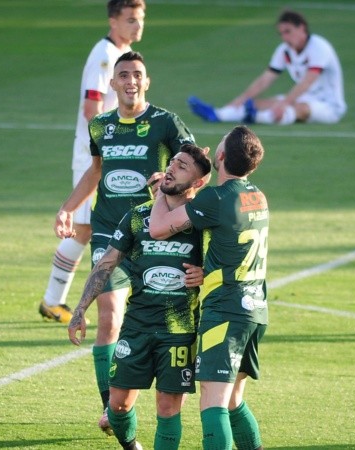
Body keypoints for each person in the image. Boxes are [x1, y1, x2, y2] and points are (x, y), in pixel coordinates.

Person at [54, 51, 195, 434]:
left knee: (161, 322)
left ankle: (157, 404)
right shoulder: (100, 126)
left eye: (137, 75)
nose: (130, 81)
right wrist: (68, 208)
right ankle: (111, 411)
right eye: (123, 75)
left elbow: (196, 167)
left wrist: (173, 191)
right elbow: (96, 171)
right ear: (112, 83)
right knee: (110, 319)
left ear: (146, 82)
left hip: (155, 234)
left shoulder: (166, 123)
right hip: (107, 231)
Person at [68, 144, 211, 450]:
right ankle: (131, 446)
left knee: (168, 408)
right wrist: (80, 308)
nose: (171, 168)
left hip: (179, 331)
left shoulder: (202, 220)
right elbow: (106, 263)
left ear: (198, 183)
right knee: (117, 406)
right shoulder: (137, 217)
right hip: (137, 327)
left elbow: (227, 261)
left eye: (183, 166)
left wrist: (205, 272)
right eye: (173, 162)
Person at [149, 125, 268, 450]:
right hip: (255, 310)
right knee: (232, 401)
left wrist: (162, 190)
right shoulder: (257, 196)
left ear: (221, 156)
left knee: (212, 402)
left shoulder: (215, 197)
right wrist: (209, 269)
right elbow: (232, 245)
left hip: (225, 313)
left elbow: (158, 228)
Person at [39, 0, 146, 324]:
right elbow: (91, 109)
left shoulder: (120, 55)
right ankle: (52, 300)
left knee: (92, 227)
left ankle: (58, 300)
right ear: (113, 21)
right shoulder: (104, 55)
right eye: (130, 20)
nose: (137, 26)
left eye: (140, 19)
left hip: (107, 154)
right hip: (94, 156)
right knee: (84, 227)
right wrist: (110, 145)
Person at [188, 10, 346, 126]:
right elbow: (265, 79)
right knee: (255, 104)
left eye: (288, 32)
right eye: (281, 33)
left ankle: (257, 118)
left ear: (302, 28)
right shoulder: (284, 50)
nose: (284, 37)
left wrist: (285, 103)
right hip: (302, 97)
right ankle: (217, 114)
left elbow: (307, 81)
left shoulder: (319, 47)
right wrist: (242, 98)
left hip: (329, 106)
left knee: (297, 108)